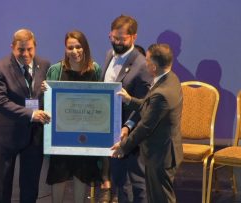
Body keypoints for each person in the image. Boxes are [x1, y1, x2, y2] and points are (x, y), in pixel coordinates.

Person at [112, 43, 183, 203]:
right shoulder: (170, 78)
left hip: (161, 155)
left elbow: (145, 126)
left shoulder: (162, 94)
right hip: (163, 151)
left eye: (148, 60)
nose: (145, 62)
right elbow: (151, 107)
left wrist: (123, 147)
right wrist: (130, 100)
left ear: (154, 66)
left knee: (161, 198)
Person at [0, 28, 51, 203]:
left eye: (29, 49)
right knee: (3, 184)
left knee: (30, 184)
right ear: (12, 47)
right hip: (7, 133)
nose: (26, 54)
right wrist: (32, 114)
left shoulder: (45, 65)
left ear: (35, 46)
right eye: (21, 50)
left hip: (34, 135)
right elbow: (0, 103)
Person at [44, 30, 102, 203]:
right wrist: (43, 92)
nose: (75, 51)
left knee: (82, 173)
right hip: (61, 132)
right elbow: (48, 102)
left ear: (85, 47)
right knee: (59, 174)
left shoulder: (95, 69)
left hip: (86, 133)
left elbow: (100, 100)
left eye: (78, 46)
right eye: (70, 47)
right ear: (65, 49)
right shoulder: (56, 70)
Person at [99, 15, 152, 203]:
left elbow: (144, 103)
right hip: (111, 129)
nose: (117, 42)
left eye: (122, 39)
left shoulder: (143, 65)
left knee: (138, 181)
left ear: (134, 37)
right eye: (114, 38)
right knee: (119, 180)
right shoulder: (108, 55)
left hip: (132, 132)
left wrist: (128, 127)